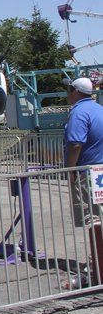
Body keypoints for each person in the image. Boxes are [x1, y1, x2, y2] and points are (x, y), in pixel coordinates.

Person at [63, 76, 103, 227]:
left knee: (93, 219)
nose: (68, 93)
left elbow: (76, 145)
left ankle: (97, 250)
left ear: (75, 92)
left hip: (87, 172)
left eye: (69, 89)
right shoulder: (99, 109)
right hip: (100, 170)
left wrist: (70, 170)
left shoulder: (78, 112)